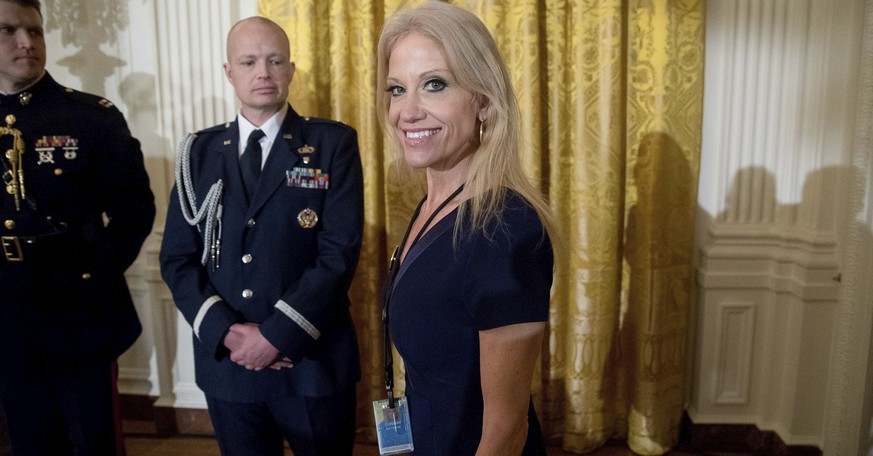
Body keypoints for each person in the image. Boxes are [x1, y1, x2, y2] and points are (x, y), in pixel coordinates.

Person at [160, 16, 363, 456]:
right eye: (249, 61)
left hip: (311, 360)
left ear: (290, 69)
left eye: (274, 60)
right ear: (229, 72)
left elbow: (338, 255)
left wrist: (274, 337)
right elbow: (177, 259)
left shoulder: (332, 144)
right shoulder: (197, 153)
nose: (263, 73)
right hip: (230, 365)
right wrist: (229, 332)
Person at [376, 2, 559, 455]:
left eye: (434, 85)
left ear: (484, 101)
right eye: (397, 89)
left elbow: (505, 431)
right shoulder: (433, 206)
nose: (408, 111)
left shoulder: (505, 229)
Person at [0, 0, 156, 454]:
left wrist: (93, 272)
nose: (26, 42)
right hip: (7, 311)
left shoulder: (91, 118)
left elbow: (135, 211)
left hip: (79, 309)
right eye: (8, 31)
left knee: (92, 439)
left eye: (35, 30)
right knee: (29, 437)